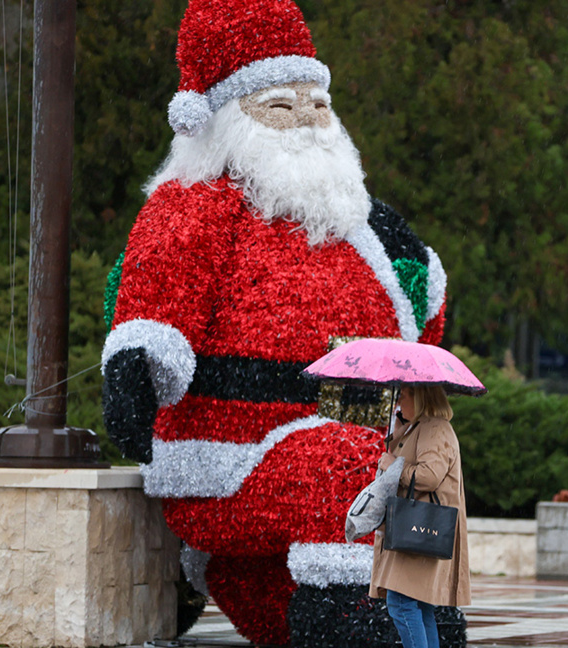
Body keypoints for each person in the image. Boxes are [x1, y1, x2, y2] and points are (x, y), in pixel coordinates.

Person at [99, 0, 455, 646]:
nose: (309, 123)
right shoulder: (200, 205)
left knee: (414, 469)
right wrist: (135, 370)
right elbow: (156, 296)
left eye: (317, 105)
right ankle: (362, 618)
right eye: (282, 109)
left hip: (346, 437)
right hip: (228, 460)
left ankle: (412, 615)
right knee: (344, 464)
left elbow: (425, 307)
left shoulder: (364, 222)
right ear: (226, 121)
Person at [371, 385, 471, 648]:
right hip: (414, 528)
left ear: (421, 396)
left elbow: (428, 476)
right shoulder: (420, 427)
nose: (399, 400)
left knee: (402, 603)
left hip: (419, 527)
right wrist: (399, 425)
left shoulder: (434, 429)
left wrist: (394, 466)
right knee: (418, 604)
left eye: (403, 395)